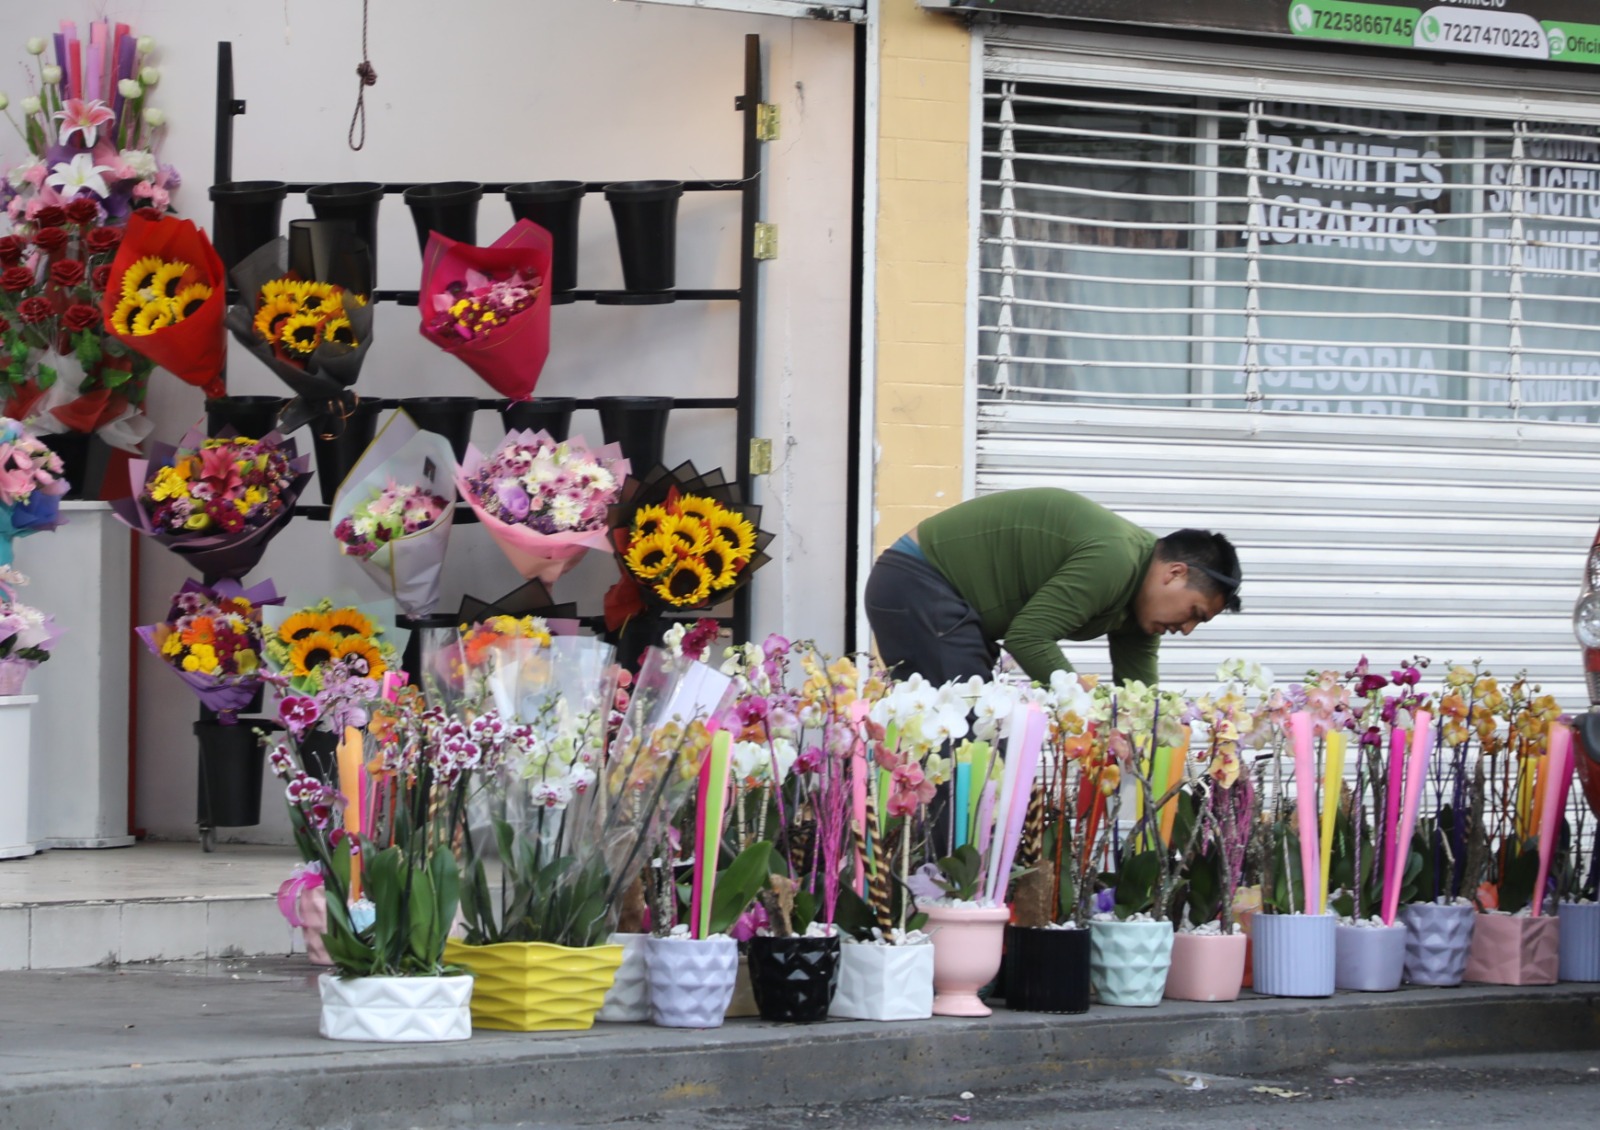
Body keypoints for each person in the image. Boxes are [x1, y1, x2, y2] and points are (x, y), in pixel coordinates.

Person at [864, 487, 1242, 688]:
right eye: (1194, 613)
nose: (1187, 629)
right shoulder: (1115, 560)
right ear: (1174, 573)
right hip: (918, 582)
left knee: (975, 746)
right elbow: (1028, 637)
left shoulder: (1140, 611)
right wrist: (1079, 703)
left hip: (937, 600)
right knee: (968, 743)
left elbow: (1138, 696)